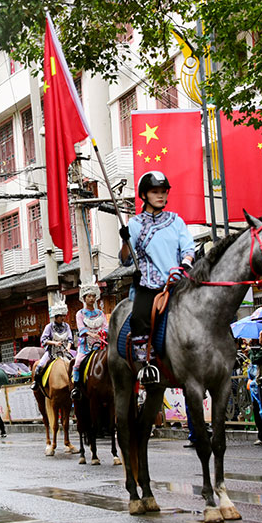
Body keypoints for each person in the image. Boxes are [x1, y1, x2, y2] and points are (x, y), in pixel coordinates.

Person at [119, 170, 195, 384]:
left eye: (163, 192)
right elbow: (125, 260)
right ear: (144, 195)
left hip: (178, 282)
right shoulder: (134, 224)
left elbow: (188, 247)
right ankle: (147, 365)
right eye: (155, 192)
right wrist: (126, 242)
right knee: (139, 319)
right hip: (150, 285)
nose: (160, 196)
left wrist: (186, 263)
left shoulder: (176, 221)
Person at [71, 276, 108, 400]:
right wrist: (91, 334)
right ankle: (76, 387)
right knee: (77, 363)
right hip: (86, 346)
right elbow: (81, 329)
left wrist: (103, 333)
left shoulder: (101, 313)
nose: (91, 298)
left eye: (93, 296)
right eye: (88, 296)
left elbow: (106, 326)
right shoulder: (80, 314)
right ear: (84, 298)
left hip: (102, 344)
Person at [31, 293, 73, 392]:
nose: (63, 318)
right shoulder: (49, 327)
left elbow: (70, 339)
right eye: (61, 316)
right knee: (40, 365)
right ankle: (36, 382)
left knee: (75, 365)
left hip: (64, 352)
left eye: (64, 316)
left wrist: (68, 347)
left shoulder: (66, 326)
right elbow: (43, 340)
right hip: (51, 353)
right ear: (56, 316)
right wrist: (54, 343)